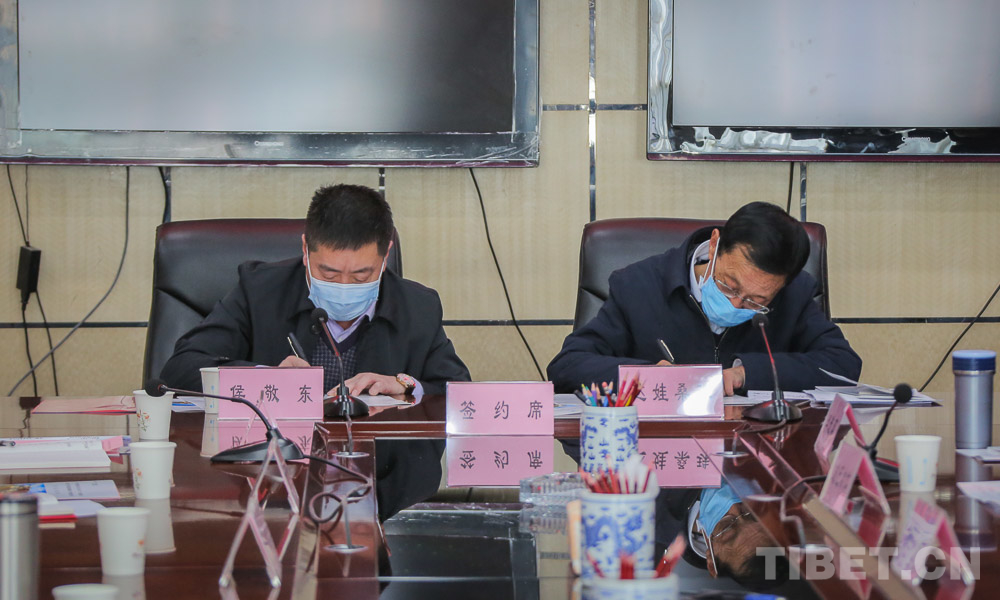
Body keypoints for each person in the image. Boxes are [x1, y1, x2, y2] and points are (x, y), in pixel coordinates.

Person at [160, 183, 470, 519]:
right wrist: (267, 379)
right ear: (306, 249)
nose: (344, 287)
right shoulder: (260, 290)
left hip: (383, 494)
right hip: (272, 489)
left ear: (386, 255)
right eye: (328, 273)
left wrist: (405, 385)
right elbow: (180, 368)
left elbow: (460, 394)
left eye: (362, 275)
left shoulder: (417, 306)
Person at [547, 201, 862, 395]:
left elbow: (842, 364)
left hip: (751, 455)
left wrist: (746, 373)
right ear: (714, 245)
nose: (736, 305)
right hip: (658, 459)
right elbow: (568, 366)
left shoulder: (794, 293)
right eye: (730, 286)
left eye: (756, 301)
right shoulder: (638, 285)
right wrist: (650, 377)